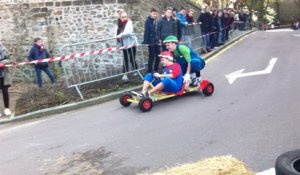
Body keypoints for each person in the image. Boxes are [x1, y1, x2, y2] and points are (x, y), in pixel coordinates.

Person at [116, 11, 138, 81]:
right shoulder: (119, 25)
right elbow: (116, 34)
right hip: (124, 44)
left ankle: (136, 70)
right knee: (125, 59)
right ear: (120, 18)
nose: (124, 18)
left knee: (132, 58)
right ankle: (125, 74)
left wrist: (120, 35)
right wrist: (118, 44)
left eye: (125, 17)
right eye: (122, 17)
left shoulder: (129, 23)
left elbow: (128, 32)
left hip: (131, 43)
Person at [143, 8, 160, 73]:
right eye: (154, 14)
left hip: (157, 41)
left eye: (156, 14)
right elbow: (146, 32)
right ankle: (150, 70)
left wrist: (159, 38)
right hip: (150, 41)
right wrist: (146, 41)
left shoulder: (157, 21)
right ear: (151, 13)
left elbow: (158, 31)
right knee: (151, 56)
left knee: (158, 55)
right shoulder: (148, 21)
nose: (155, 15)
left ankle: (156, 69)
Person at [0, 43, 12, 116]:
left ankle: (6, 108)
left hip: (4, 74)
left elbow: (11, 58)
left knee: (5, 92)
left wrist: (2, 62)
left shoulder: (4, 49)